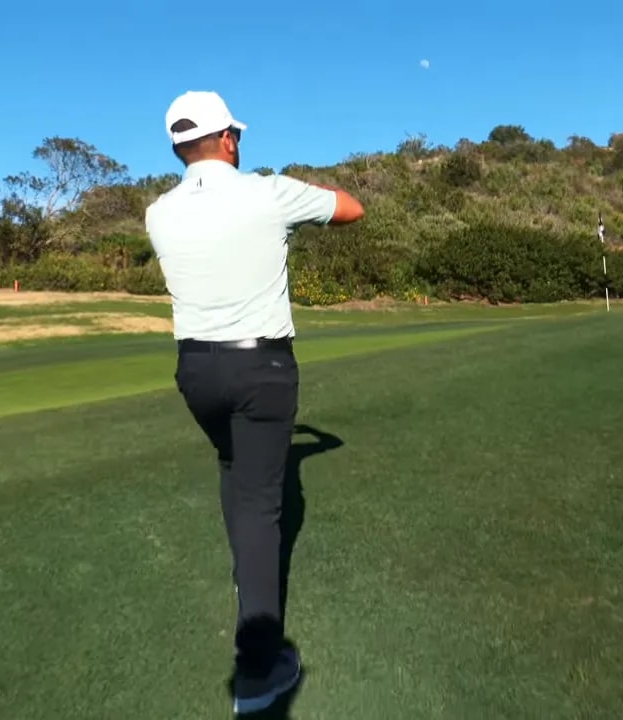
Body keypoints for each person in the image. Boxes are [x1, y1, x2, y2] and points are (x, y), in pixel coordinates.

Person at [144, 90, 365, 714]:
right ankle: (259, 669)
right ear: (228, 139)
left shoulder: (158, 213)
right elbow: (351, 208)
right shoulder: (269, 193)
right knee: (263, 505)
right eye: (236, 135)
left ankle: (245, 572)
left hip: (196, 370)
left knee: (233, 467)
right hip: (261, 367)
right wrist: (304, 192)